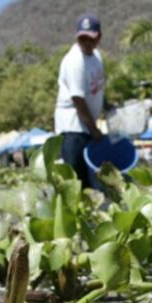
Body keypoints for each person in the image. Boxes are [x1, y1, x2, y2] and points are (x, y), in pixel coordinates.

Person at [54, 14, 105, 185]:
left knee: (89, 180)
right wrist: (94, 130)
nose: (87, 43)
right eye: (82, 39)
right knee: (75, 180)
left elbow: (96, 90)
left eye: (90, 39)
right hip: (73, 128)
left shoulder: (97, 57)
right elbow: (78, 100)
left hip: (87, 128)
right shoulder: (74, 61)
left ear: (98, 37)